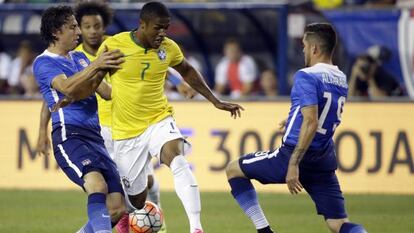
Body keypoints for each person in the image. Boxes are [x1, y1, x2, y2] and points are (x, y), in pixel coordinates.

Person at [97, 2, 243, 233]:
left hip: (158, 118)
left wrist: (214, 100)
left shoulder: (168, 47)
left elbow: (186, 70)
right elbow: (94, 77)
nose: (162, 33)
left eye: (166, 28)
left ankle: (196, 228)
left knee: (177, 159)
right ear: (142, 24)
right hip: (125, 132)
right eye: (158, 28)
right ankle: (128, 220)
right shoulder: (114, 45)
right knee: (135, 201)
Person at [226, 23, 368, 233]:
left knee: (233, 169)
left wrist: (293, 163)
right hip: (323, 158)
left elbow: (311, 121)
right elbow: (322, 113)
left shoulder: (306, 76)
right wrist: (293, 118)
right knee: (338, 224)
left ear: (314, 49)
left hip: (295, 154)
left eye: (304, 45)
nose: (302, 50)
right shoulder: (341, 79)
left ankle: (264, 231)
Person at [33, 5, 126, 233]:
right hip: (69, 134)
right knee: (97, 184)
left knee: (117, 208)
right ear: (56, 31)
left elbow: (105, 92)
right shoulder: (43, 62)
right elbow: (65, 88)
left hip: (95, 137)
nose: (78, 32)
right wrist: (97, 65)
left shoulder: (81, 57)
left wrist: (116, 69)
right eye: (73, 27)